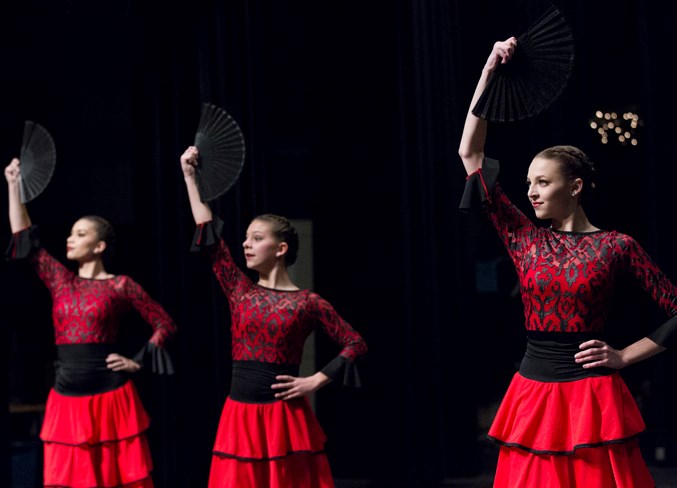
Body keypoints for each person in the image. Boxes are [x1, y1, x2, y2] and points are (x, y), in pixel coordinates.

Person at [458, 37, 677, 487]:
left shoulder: (616, 246)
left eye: (542, 182)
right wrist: (488, 72)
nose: (531, 192)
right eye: (528, 182)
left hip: (593, 399)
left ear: (575, 187)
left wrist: (623, 356)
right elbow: (471, 154)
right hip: (532, 394)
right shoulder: (524, 238)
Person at [179, 146, 367, 488]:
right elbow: (208, 234)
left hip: (285, 419)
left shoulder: (308, 302)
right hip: (239, 416)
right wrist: (190, 177)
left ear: (280, 249)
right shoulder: (239, 289)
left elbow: (355, 343)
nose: (246, 245)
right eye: (246, 238)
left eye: (257, 238)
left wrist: (315, 381)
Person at [5, 157, 177, 488]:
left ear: (98, 246)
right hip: (66, 396)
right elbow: (23, 237)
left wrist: (137, 361)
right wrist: (14, 186)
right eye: (71, 233)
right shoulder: (61, 281)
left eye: (80, 234)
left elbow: (164, 323)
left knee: (116, 479)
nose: (70, 239)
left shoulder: (120, 285)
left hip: (111, 396)